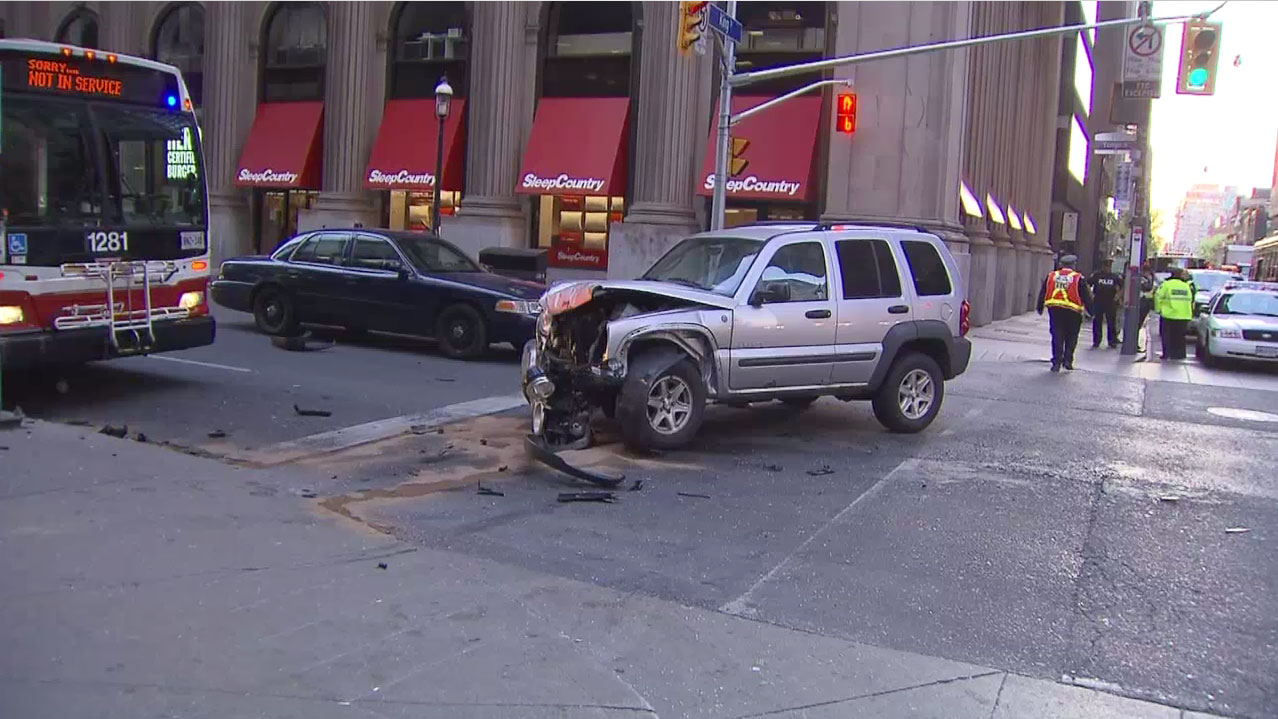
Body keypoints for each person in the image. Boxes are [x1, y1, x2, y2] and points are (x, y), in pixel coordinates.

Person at [1036, 254, 1095, 372]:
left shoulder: (1052, 276)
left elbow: (1043, 291)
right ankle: (1068, 360)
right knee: (1072, 336)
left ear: (1061, 265)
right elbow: (1086, 296)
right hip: (1073, 312)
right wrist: (1091, 311)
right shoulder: (1078, 278)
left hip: (1055, 310)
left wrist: (1040, 307)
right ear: (1073, 265)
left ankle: (1056, 361)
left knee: (1057, 335)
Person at [1154, 267, 1194, 360]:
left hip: (1169, 315)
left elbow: (1158, 296)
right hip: (1183, 315)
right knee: (1180, 337)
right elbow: (1191, 300)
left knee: (1166, 336)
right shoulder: (1186, 286)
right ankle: (1179, 355)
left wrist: (1158, 309)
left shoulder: (1166, 285)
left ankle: (1167, 354)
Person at [1087, 265, 1124, 348]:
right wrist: (1091, 294)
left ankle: (1112, 341)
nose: (1107, 268)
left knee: (1111, 322)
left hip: (1110, 302)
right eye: (1106, 266)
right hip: (1098, 301)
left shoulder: (1114, 276)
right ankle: (1096, 341)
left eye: (1109, 266)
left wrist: (1118, 296)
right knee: (1097, 321)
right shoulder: (1097, 275)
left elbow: (1122, 286)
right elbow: (1088, 284)